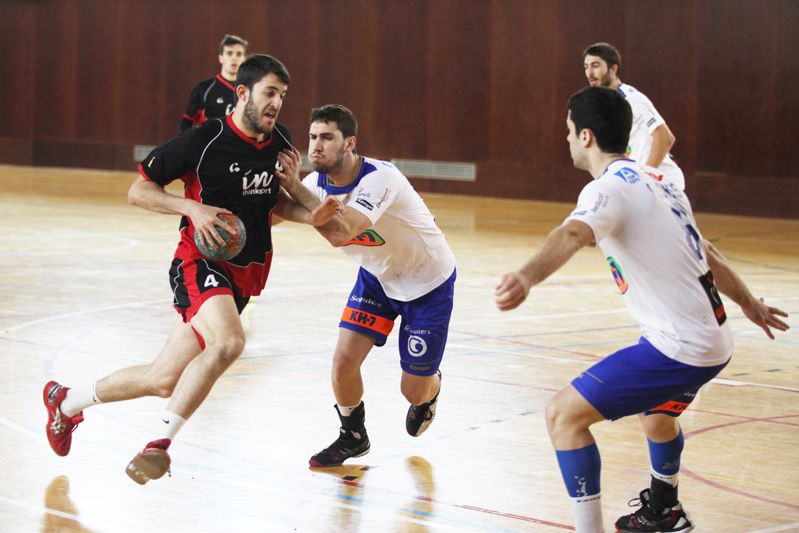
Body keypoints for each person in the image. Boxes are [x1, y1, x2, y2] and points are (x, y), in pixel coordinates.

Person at [495, 87, 789, 532]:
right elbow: (708, 251)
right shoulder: (659, 181)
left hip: (681, 347)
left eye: (569, 131)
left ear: (587, 136)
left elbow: (573, 234)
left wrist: (526, 276)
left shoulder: (607, 188)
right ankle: (665, 509)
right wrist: (749, 304)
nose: (568, 139)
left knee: (562, 416)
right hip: (714, 339)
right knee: (657, 415)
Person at [43, 54, 341, 485]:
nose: (277, 103)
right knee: (229, 342)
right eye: (270, 92)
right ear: (243, 93)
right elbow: (138, 191)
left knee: (162, 379)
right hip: (198, 263)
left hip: (244, 275)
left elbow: (272, 204)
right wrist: (191, 208)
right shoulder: (204, 140)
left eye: (283, 95)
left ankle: (66, 401)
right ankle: (158, 445)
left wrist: (310, 213)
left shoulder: (281, 142)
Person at [278, 104, 457, 467]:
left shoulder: (380, 178)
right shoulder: (314, 186)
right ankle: (353, 437)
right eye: (312, 137)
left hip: (427, 282)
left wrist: (294, 187)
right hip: (377, 278)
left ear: (350, 143)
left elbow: (343, 232)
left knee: (413, 391)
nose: (315, 146)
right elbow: (274, 212)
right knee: (343, 362)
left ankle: (431, 387)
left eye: (327, 137)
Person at [583, 42, 686, 190]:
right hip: (641, 182)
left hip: (661, 181)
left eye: (595, 66)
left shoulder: (630, 98)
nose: (589, 73)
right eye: (586, 67)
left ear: (613, 68)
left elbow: (665, 137)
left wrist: (645, 178)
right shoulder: (609, 103)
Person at [179, 34, 248, 132]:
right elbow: (186, 122)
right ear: (221, 58)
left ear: (244, 59)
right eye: (229, 53)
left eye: (239, 54)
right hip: (209, 140)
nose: (234, 58)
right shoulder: (204, 89)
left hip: (237, 141)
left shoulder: (250, 90)